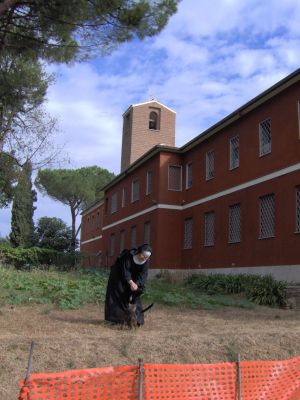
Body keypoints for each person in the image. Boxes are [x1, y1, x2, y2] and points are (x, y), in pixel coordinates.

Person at [104, 243, 152, 326]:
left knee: (136, 295)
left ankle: (137, 320)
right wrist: (131, 282)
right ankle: (118, 320)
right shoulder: (128, 256)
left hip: (134, 278)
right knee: (119, 295)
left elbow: (143, 275)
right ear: (139, 252)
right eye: (143, 256)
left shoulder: (146, 262)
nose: (145, 258)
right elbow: (125, 271)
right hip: (119, 275)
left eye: (147, 257)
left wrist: (136, 284)